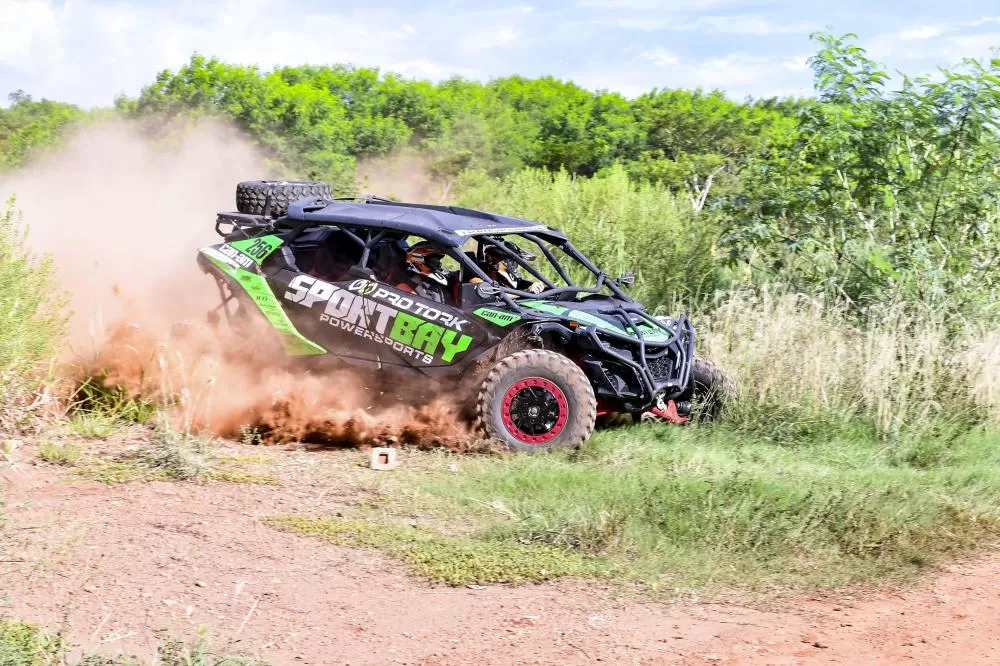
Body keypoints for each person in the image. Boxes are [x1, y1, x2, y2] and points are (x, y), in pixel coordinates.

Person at [470, 244, 545, 294]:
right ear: (494, 262)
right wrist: (527, 291)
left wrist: (537, 287)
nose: (514, 265)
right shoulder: (477, 281)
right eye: (512, 262)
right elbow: (496, 296)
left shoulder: (503, 280)